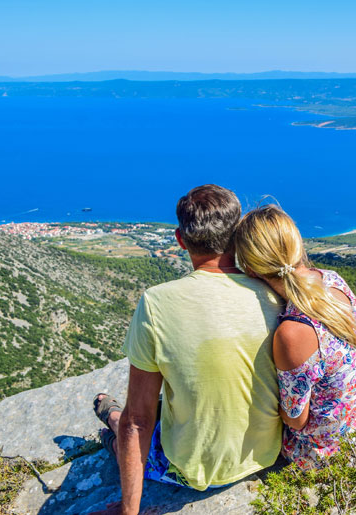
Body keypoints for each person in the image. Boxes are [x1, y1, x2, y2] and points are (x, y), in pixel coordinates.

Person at [91, 185, 284, 515]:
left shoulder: (156, 303)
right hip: (266, 454)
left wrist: (127, 510)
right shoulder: (274, 293)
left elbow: (138, 420)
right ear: (237, 235)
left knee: (122, 422)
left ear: (180, 240)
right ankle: (108, 412)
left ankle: (107, 415)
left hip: (192, 472)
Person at [234, 205, 356, 469]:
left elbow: (297, 420)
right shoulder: (332, 279)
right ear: (297, 245)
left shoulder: (293, 333)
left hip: (333, 453)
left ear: (250, 269)